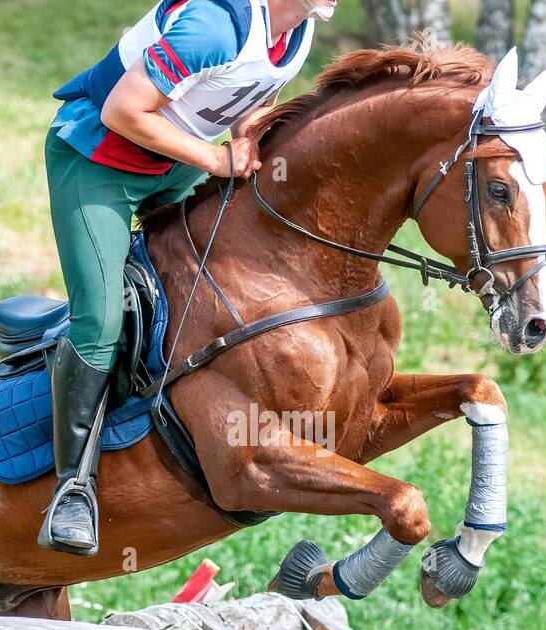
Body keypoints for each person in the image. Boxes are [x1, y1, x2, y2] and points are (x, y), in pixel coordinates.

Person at [39, 0, 337, 555]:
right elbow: (122, 113)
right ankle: (72, 489)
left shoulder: (294, 36)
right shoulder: (213, 26)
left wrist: (247, 134)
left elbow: (253, 94)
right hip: (98, 161)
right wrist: (216, 160)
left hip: (173, 167)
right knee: (100, 318)